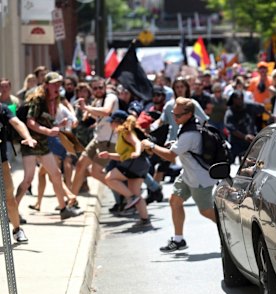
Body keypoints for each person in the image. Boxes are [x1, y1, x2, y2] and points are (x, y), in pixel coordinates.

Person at [140, 97, 217, 252]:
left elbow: (170, 156)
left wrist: (152, 145)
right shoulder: (186, 126)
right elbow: (179, 147)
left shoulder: (190, 133)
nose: (174, 118)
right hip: (188, 174)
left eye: (177, 115)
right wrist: (173, 144)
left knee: (206, 211)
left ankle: (230, 228)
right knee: (175, 201)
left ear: (189, 114)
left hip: (199, 178)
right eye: (173, 114)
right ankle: (178, 240)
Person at [14, 72, 82, 220]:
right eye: (54, 84)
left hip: (43, 143)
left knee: (56, 174)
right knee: (28, 179)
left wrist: (58, 125)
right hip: (30, 142)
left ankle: (63, 209)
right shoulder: (38, 100)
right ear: (46, 85)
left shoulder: (54, 100)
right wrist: (48, 131)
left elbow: (46, 123)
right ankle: (12, 211)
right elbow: (30, 122)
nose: (58, 86)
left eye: (59, 83)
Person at [68, 78, 119, 208]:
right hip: (97, 139)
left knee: (96, 172)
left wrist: (87, 108)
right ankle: (71, 201)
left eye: (100, 87)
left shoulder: (111, 97)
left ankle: (122, 193)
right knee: (80, 166)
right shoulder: (96, 101)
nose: (98, 90)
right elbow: (91, 120)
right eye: (95, 88)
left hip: (109, 142)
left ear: (105, 87)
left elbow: (107, 111)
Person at [99, 110, 150, 222]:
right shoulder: (121, 134)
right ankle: (145, 219)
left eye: (111, 121)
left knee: (109, 178)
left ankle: (130, 197)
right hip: (138, 164)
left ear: (117, 122)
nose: (110, 124)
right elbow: (123, 156)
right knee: (136, 193)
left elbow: (136, 142)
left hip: (134, 163)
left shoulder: (125, 132)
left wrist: (137, 152)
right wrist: (109, 155)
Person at [0, 102, 37, 242]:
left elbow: (17, 123)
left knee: (9, 199)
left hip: (1, 161)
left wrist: (27, 137)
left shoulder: (2, 110)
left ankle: (17, 229)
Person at [224, 90, 257, 163]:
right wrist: (245, 136)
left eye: (241, 98)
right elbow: (232, 129)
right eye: (238, 99)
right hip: (235, 143)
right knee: (230, 162)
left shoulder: (247, 109)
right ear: (233, 100)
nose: (240, 101)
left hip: (247, 143)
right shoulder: (229, 113)